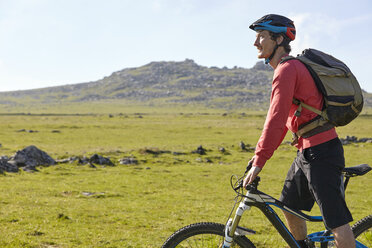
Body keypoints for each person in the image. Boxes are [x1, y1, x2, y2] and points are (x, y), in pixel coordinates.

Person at [242, 14, 355, 248]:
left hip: (321, 152)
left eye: (261, 36)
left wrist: (259, 161)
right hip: (306, 152)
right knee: (289, 207)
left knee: (337, 223)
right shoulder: (288, 69)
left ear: (279, 39)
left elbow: (275, 118)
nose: (256, 42)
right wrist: (258, 156)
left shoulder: (287, 69)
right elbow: (283, 123)